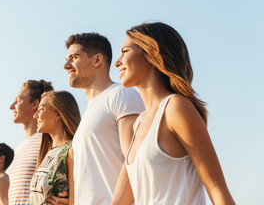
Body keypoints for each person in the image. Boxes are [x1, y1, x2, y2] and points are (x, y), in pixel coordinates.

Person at [112, 22, 236, 205]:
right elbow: (120, 202)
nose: (117, 62)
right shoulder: (138, 124)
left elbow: (216, 187)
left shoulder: (176, 107)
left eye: (125, 51)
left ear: (151, 53)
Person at [62, 33, 145, 205]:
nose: (66, 65)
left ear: (97, 60)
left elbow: (135, 162)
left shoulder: (120, 95)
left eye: (74, 57)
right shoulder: (88, 115)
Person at [29, 91, 80, 205]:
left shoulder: (71, 150)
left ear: (58, 114)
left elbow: (79, 199)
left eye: (41, 109)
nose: (35, 115)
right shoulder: (46, 153)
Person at [9, 80, 54, 205]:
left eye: (18, 101)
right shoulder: (19, 148)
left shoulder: (49, 141)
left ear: (35, 104)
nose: (11, 106)